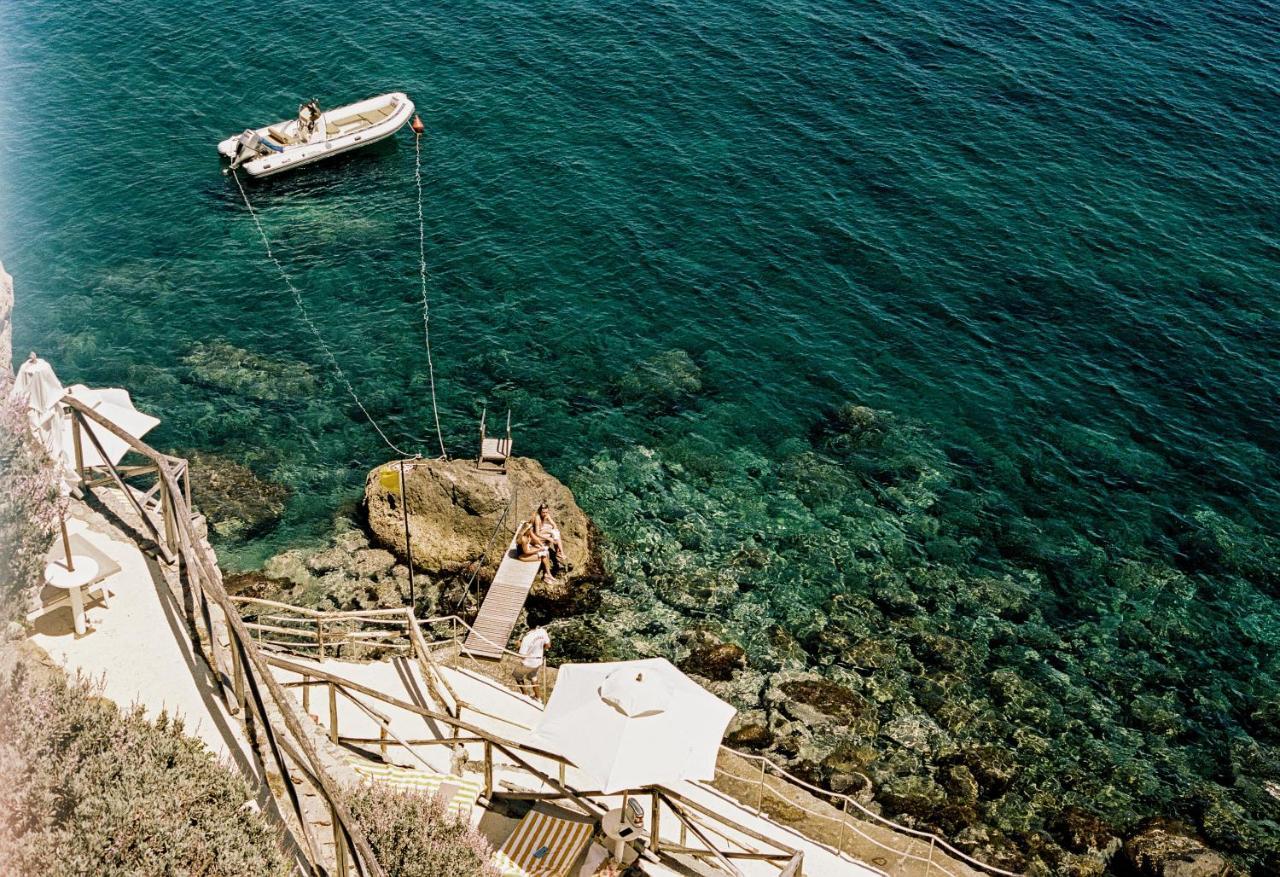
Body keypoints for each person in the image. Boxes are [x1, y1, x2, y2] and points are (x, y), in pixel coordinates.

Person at [516, 521, 558, 585]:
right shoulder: (523, 539)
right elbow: (526, 552)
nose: (532, 529)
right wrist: (538, 549)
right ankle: (547, 575)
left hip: (529, 549)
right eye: (530, 528)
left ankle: (547, 574)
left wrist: (542, 546)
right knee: (543, 556)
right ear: (526, 530)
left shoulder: (529, 533)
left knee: (546, 552)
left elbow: (536, 539)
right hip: (522, 555)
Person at [514, 626, 550, 698]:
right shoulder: (542, 631)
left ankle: (525, 694)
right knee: (533, 676)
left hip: (529, 662)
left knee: (516, 675)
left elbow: (522, 656)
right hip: (538, 660)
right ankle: (538, 697)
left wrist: (518, 647)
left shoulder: (527, 638)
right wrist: (539, 650)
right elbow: (548, 645)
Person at [529, 503, 567, 572]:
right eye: (543, 512)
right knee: (554, 535)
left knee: (556, 532)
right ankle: (559, 553)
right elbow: (537, 533)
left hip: (541, 531)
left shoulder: (547, 515)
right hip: (534, 537)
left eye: (546, 512)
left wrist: (554, 531)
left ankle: (560, 552)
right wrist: (549, 538)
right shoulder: (537, 518)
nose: (545, 514)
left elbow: (554, 524)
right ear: (540, 511)